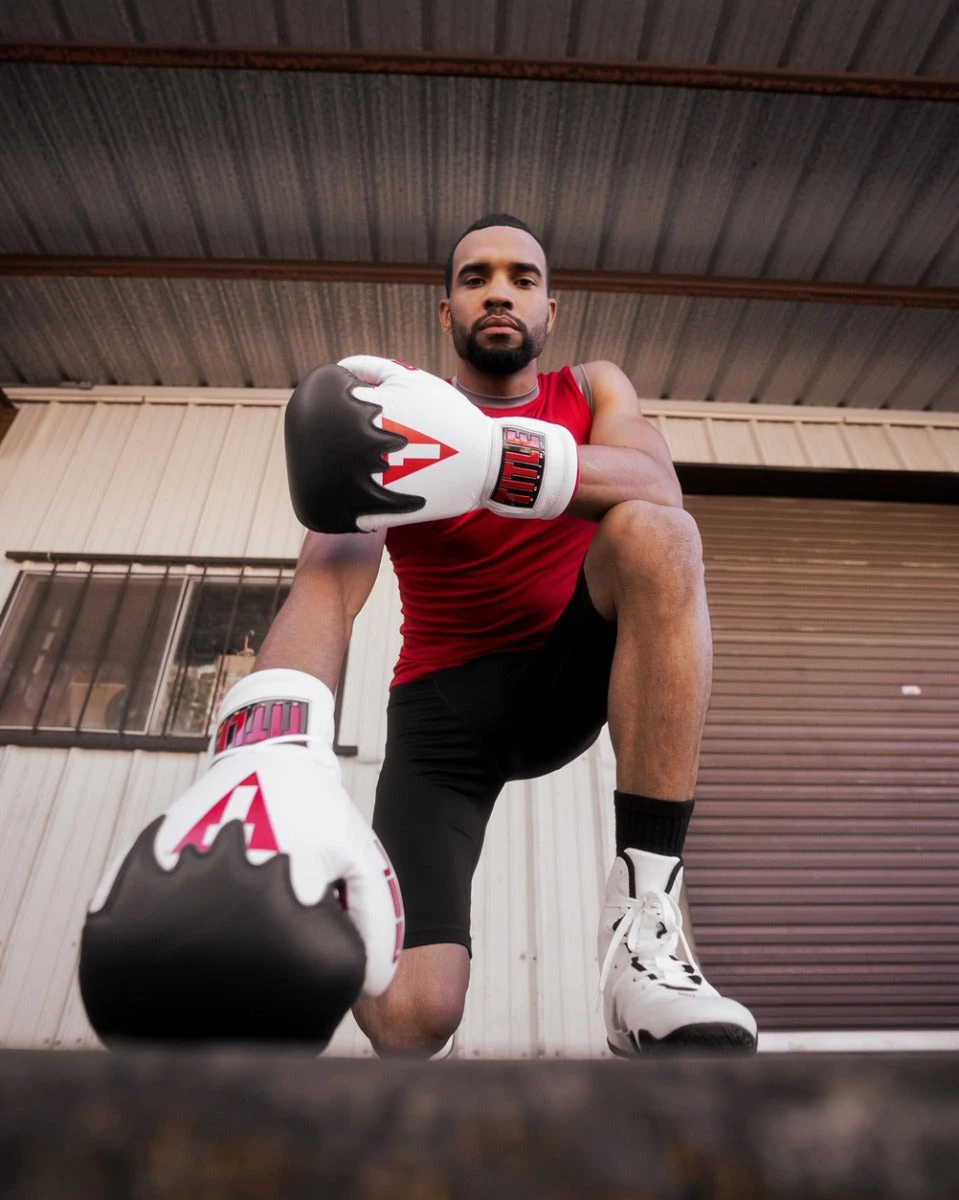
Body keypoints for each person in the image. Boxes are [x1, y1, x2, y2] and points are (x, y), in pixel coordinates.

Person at [262, 213, 758, 1057]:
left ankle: (643, 931)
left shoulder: (592, 389)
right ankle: (338, 911)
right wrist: (266, 761)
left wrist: (488, 456)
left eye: (522, 278)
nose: (499, 292)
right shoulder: (393, 415)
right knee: (415, 1019)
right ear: (446, 310)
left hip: (563, 675)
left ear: (548, 311)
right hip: (443, 717)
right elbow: (328, 581)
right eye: (475, 277)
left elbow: (654, 483)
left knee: (657, 532)